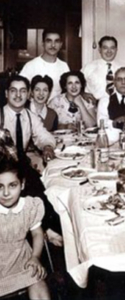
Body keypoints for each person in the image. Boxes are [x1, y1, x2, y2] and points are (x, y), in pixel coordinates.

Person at [0, 75, 62, 246]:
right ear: (6, 93)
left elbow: (43, 135)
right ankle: (47, 228)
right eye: (13, 91)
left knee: (40, 184)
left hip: (20, 166)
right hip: (2, 168)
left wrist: (48, 146)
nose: (18, 95)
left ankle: (45, 227)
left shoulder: (29, 116)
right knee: (32, 182)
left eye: (22, 91)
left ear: (28, 95)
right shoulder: (0, 115)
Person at [0, 156, 50, 299]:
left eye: (12, 185)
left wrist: (35, 257)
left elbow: (37, 234)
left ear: (22, 184)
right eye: (0, 187)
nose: (6, 193)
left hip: (23, 259)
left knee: (37, 280)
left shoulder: (29, 206)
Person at [20, 28, 70, 100]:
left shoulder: (64, 66)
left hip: (57, 110)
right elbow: (21, 91)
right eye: (49, 41)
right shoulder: (31, 66)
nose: (53, 45)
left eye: (56, 41)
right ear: (43, 43)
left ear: (61, 45)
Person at [81, 36, 121, 100]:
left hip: (116, 105)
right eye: (105, 48)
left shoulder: (122, 69)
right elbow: (76, 84)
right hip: (93, 106)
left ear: (116, 50)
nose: (109, 51)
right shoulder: (89, 67)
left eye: (112, 48)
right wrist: (82, 93)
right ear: (99, 49)